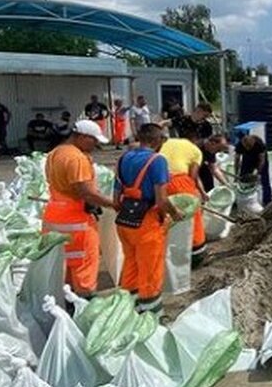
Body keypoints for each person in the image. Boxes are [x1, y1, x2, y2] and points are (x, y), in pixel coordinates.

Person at [42, 120, 117, 299]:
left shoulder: (55, 153)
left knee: (65, 261)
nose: (96, 145)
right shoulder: (76, 158)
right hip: (77, 220)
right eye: (94, 140)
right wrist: (114, 204)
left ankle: (68, 300)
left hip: (55, 215)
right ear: (82, 137)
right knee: (84, 261)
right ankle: (85, 300)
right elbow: (87, 193)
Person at [115, 123, 183, 313]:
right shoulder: (157, 160)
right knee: (150, 271)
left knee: (131, 264)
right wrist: (175, 213)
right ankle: (151, 315)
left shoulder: (124, 158)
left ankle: (129, 310)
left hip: (124, 221)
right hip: (147, 223)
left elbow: (115, 198)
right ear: (156, 140)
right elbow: (161, 200)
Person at [160, 135, 208, 268]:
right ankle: (196, 252)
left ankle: (168, 254)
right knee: (192, 217)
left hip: (160, 181)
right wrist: (199, 193)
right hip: (180, 182)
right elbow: (193, 176)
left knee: (165, 217)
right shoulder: (196, 151)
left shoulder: (165, 142)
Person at [235, 134, 272, 205]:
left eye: (249, 147)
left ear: (252, 142)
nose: (247, 148)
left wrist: (257, 172)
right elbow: (237, 159)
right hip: (247, 158)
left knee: (264, 180)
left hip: (259, 159)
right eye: (246, 147)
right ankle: (244, 200)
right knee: (243, 178)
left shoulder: (259, 144)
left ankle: (267, 200)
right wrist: (236, 173)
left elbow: (262, 160)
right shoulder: (240, 145)